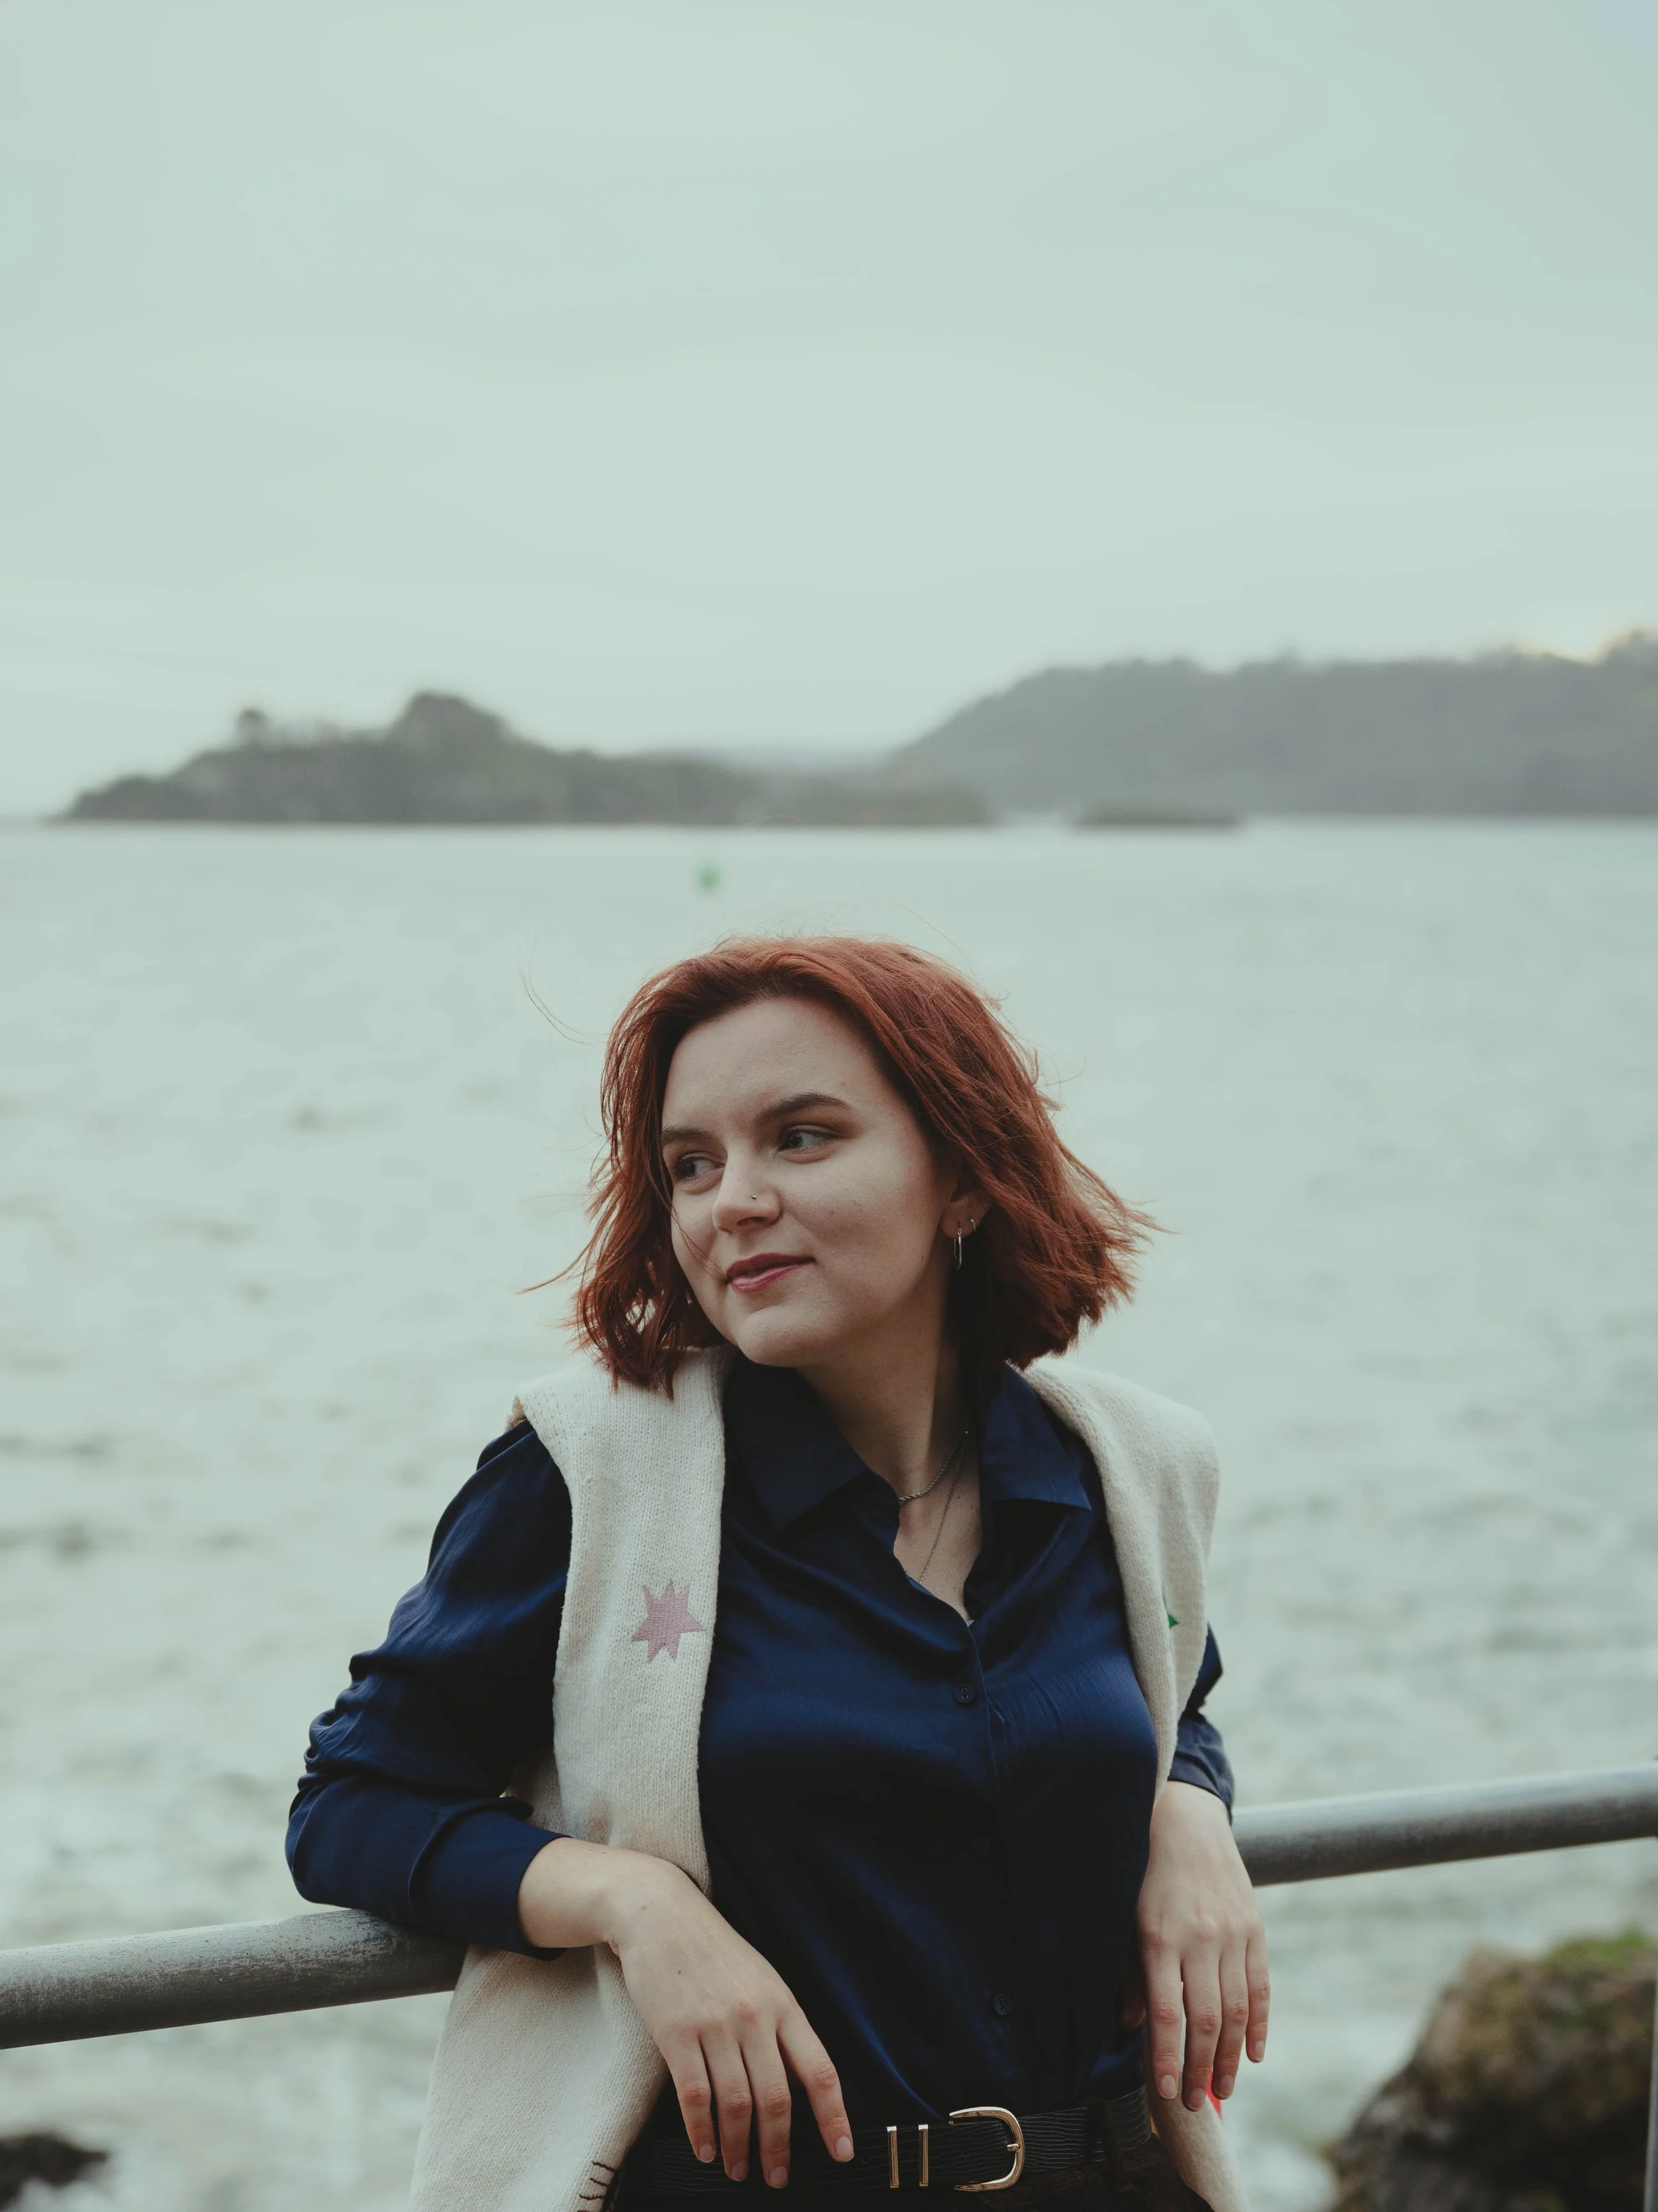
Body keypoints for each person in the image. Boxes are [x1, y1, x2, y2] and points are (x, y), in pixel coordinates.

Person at [287, 936, 1268, 2212]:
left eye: (801, 1137)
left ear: (963, 1177)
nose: (729, 1200)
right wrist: (634, 1906)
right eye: (691, 1163)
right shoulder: (592, 1475)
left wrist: (1190, 1812)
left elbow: (1170, 1699)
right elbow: (353, 1803)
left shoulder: (1126, 1468)